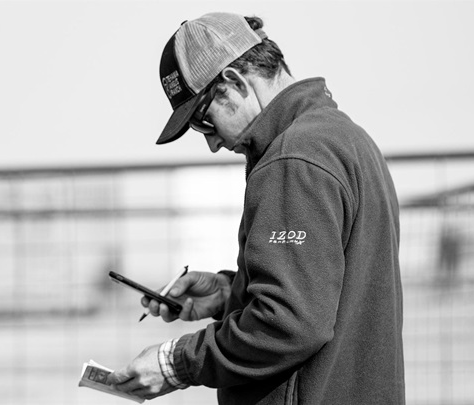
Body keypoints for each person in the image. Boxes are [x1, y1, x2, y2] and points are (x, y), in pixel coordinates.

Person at [107, 12, 405, 404]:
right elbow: (324, 293)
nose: (212, 144)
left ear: (233, 82)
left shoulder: (292, 159)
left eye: (203, 122)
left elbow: (289, 324)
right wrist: (231, 293)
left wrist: (175, 362)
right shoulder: (346, 139)